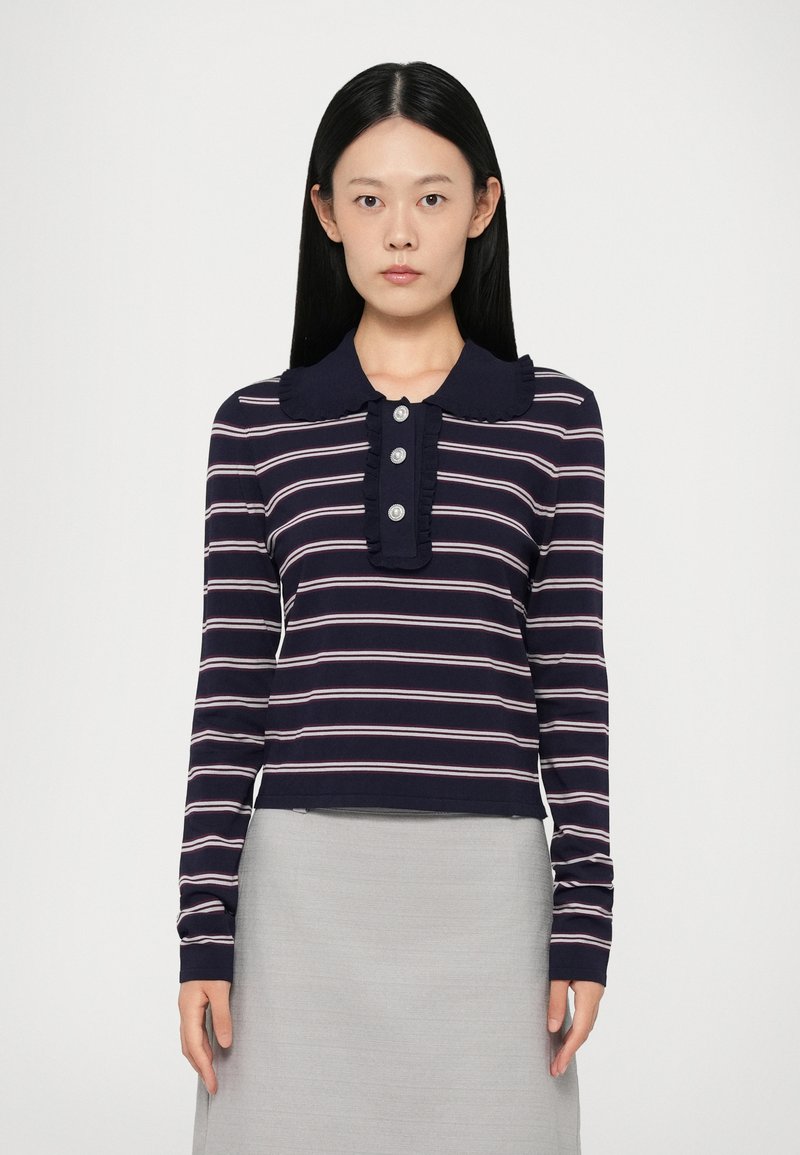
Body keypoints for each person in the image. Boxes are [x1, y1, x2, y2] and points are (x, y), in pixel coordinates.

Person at [177, 60, 613, 1154]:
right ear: (325, 213)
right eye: (368, 198)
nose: (401, 230)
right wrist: (201, 931)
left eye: (431, 195)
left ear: (483, 206)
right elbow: (230, 691)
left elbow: (570, 681)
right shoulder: (256, 426)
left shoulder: (556, 421)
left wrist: (585, 918)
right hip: (299, 894)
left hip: (490, 893)